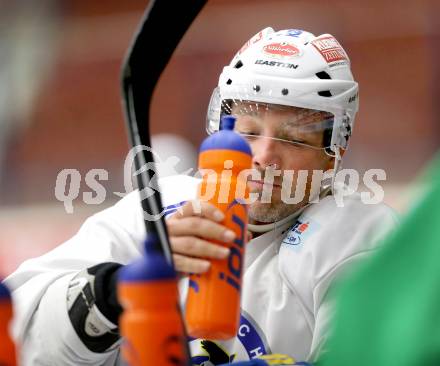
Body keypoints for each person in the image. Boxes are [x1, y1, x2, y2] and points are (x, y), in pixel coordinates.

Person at [5, 27, 397, 365]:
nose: (262, 157)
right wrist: (116, 290)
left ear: (334, 152)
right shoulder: (159, 209)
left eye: (293, 139)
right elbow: (19, 334)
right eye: (248, 130)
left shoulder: (358, 235)